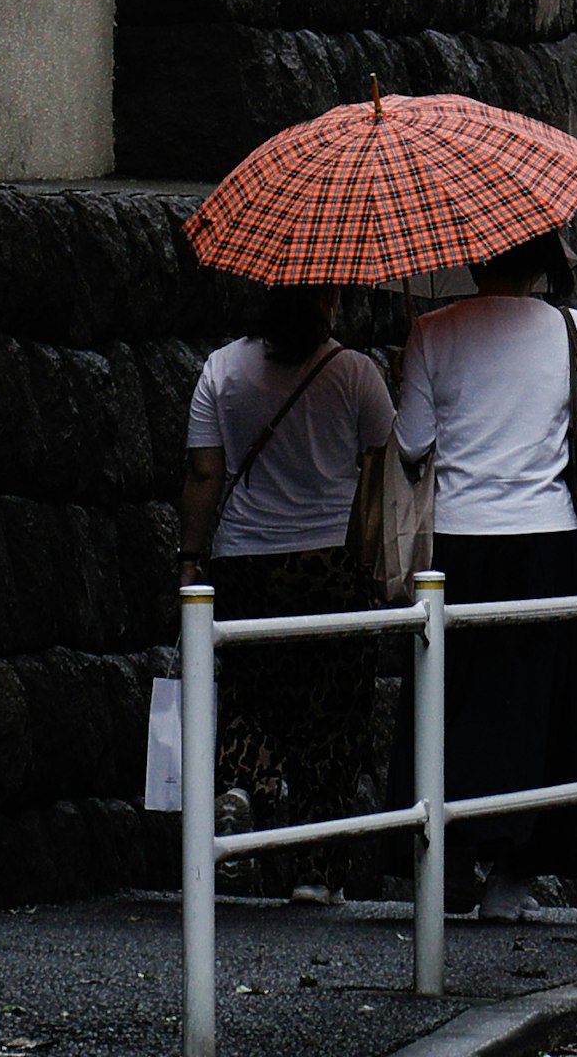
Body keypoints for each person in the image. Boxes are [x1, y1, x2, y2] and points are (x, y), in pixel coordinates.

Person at [400, 233, 577, 919]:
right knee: (543, 712)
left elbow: (410, 444)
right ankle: (514, 876)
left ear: (474, 258)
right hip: (548, 539)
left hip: (460, 546)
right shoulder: (572, 331)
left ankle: (451, 852)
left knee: (456, 705)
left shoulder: (431, 330)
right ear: (543, 262)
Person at [180, 284, 398, 893]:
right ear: (328, 301)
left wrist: (190, 559)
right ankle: (314, 871)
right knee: (330, 718)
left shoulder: (222, 369)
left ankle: (244, 788)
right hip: (331, 564)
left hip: (245, 561)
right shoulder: (356, 373)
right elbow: (384, 467)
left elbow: (204, 472)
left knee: (252, 695)